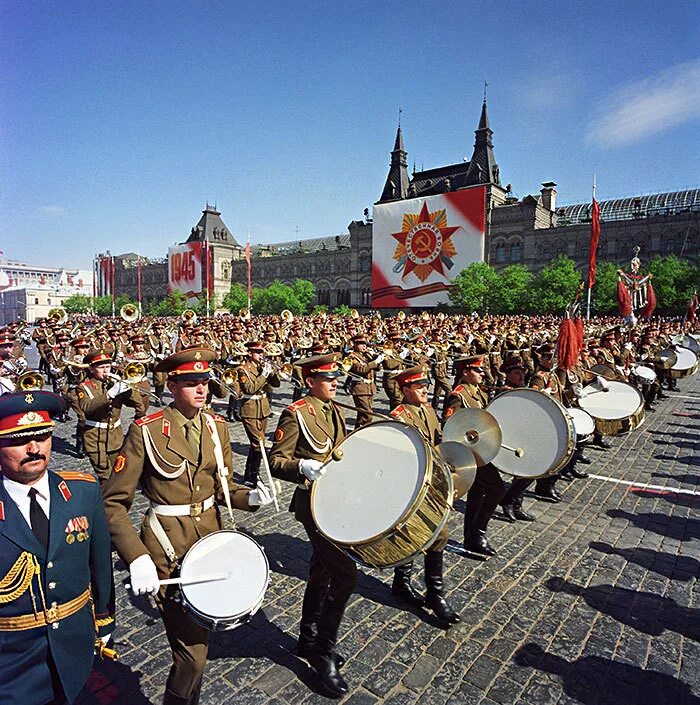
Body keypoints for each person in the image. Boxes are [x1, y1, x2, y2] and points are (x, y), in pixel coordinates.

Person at [102, 347, 272, 705]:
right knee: (192, 655)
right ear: (172, 386)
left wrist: (251, 498)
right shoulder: (145, 431)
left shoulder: (215, 426)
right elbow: (113, 504)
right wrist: (136, 557)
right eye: (192, 383)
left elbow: (223, 487)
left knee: (198, 647)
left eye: (205, 382)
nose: (202, 390)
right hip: (168, 547)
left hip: (211, 544)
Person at [0, 390, 115, 705]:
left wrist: (104, 617)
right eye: (18, 439)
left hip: (74, 649)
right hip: (11, 666)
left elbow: (100, 562)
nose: (34, 448)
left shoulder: (82, 492)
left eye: (42, 436)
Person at [269, 353, 356, 698]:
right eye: (327, 378)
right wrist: (301, 465)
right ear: (309, 381)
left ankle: (307, 639)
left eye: (335, 376)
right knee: (346, 576)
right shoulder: (296, 414)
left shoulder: (334, 409)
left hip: (336, 501)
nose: (335, 382)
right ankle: (323, 652)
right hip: (313, 506)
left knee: (321, 571)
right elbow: (276, 461)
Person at [389, 367, 460, 625]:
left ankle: (426, 590)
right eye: (419, 387)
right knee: (421, 533)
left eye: (425, 386)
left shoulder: (428, 410)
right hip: (411, 482)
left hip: (432, 480)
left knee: (437, 533)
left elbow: (438, 440)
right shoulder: (399, 416)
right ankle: (417, 587)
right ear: (406, 390)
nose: (425, 390)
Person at [443, 356, 506, 555]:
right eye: (477, 370)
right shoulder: (458, 395)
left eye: (481, 370)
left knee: (477, 494)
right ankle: (478, 533)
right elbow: (453, 427)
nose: (481, 373)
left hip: (481, 451)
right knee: (497, 489)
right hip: (469, 453)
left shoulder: (477, 392)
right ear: (465, 372)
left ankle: (471, 537)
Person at [76, 351, 143, 484]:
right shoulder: (84, 387)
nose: (106, 370)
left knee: (119, 473)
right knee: (105, 478)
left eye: (108, 366)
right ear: (92, 369)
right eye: (101, 367)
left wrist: (129, 387)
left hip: (115, 437)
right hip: (95, 438)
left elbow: (137, 403)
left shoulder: (114, 384)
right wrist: (109, 394)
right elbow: (87, 407)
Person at [237, 341, 281, 486]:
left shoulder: (263, 367)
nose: (261, 355)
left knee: (256, 444)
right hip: (249, 408)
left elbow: (276, 385)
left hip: (263, 407)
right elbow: (249, 388)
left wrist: (272, 372)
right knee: (258, 443)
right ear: (250, 353)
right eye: (258, 352)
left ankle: (249, 476)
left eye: (262, 352)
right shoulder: (242, 369)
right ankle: (254, 476)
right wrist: (264, 374)